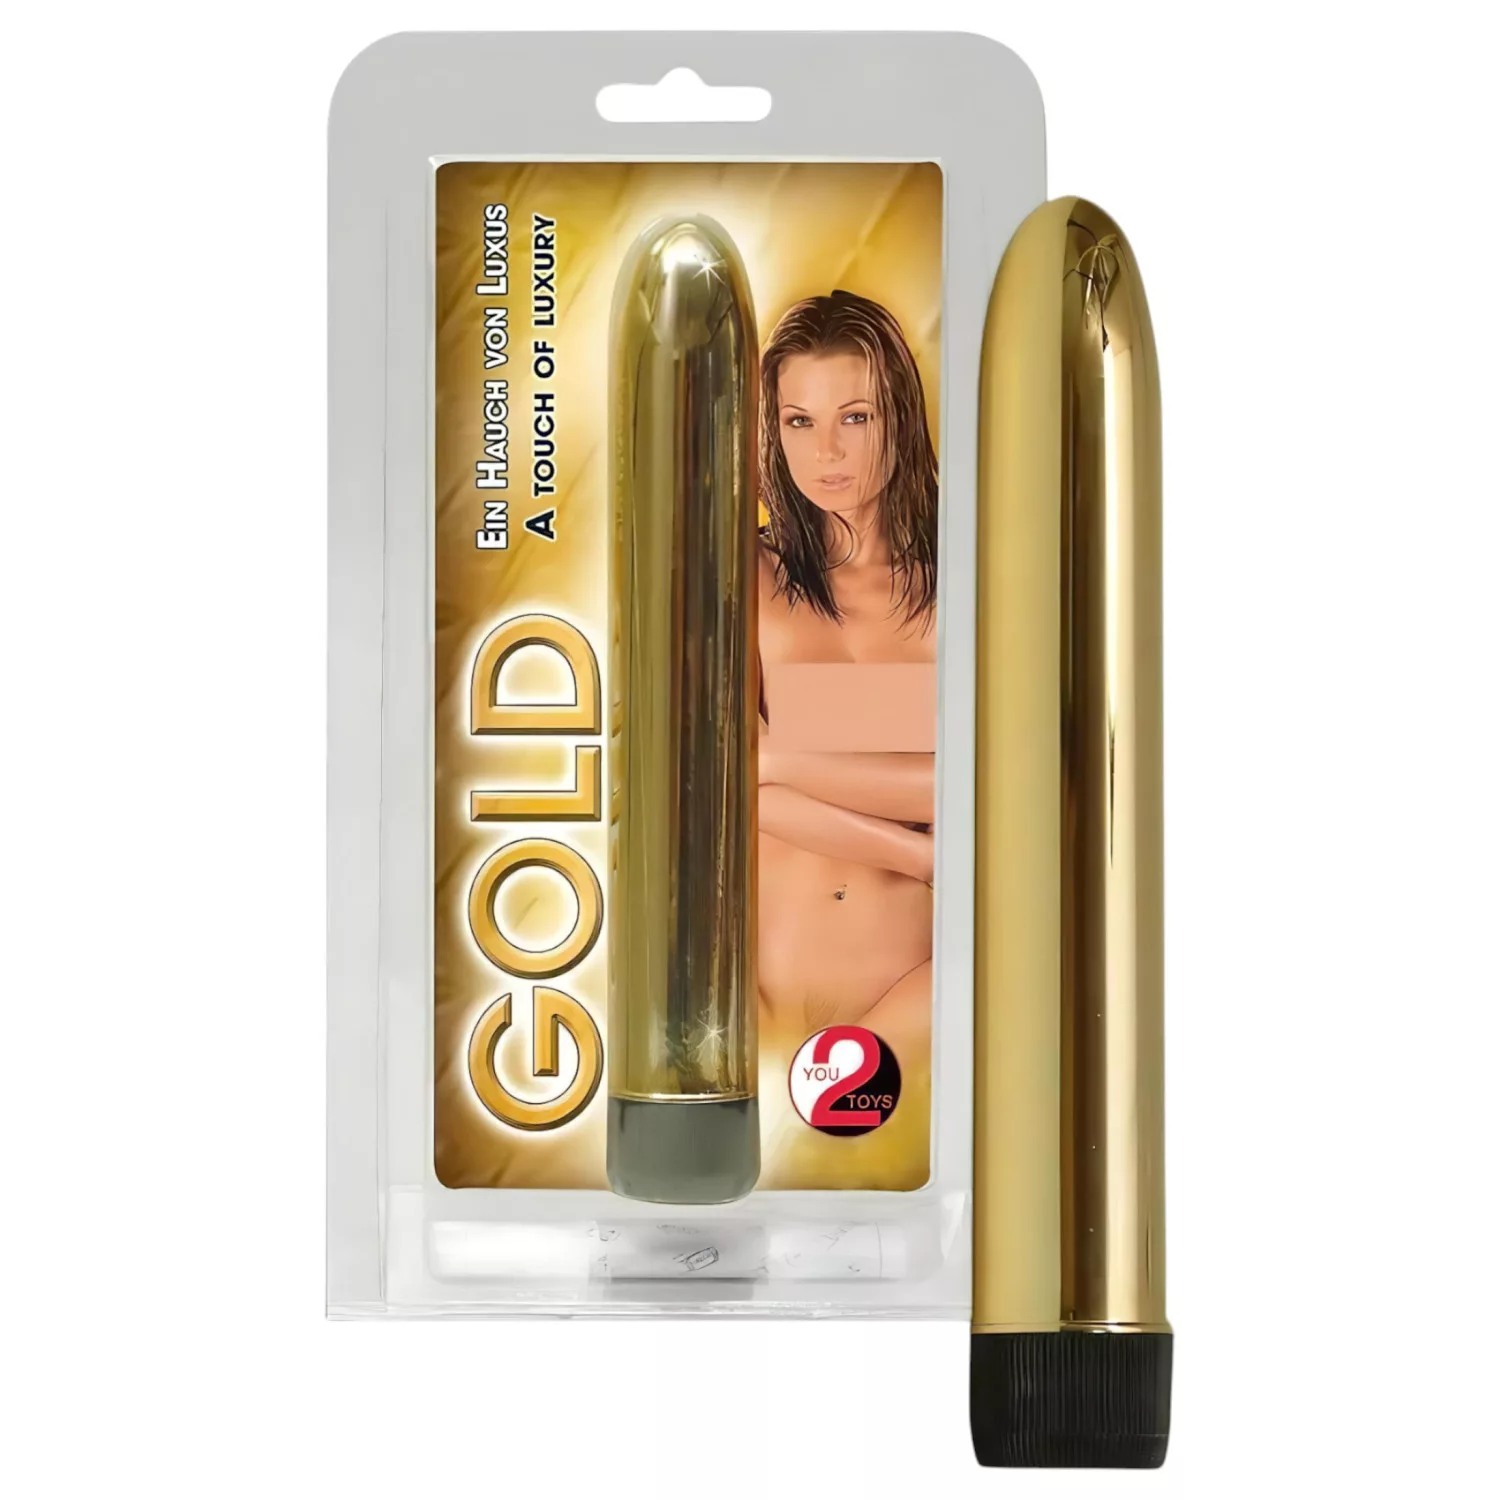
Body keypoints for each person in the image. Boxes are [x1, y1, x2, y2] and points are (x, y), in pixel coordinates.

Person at [756, 290, 938, 1081]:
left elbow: (982, 794)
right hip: (749, 1010)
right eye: (799, 421)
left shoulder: (964, 589)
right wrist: (920, 853)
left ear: (901, 416)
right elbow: (705, 787)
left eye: (855, 417)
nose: (825, 451)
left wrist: (775, 761)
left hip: (910, 1009)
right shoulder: (749, 574)